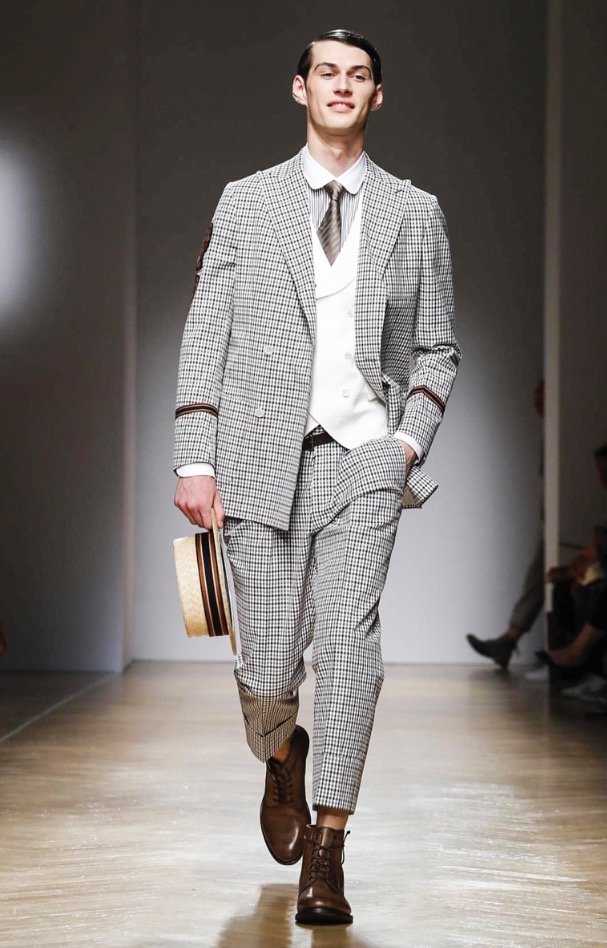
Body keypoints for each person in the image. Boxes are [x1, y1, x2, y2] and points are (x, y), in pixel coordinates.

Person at [173, 29, 459, 926]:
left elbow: (436, 347)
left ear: (376, 96)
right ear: (300, 89)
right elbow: (206, 329)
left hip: (364, 457)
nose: (342, 86)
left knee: (348, 646)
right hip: (257, 456)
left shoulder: (413, 211)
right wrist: (194, 453)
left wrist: (404, 445)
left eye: (358, 75)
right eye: (326, 73)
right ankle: (281, 753)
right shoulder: (247, 201)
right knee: (265, 667)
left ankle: (328, 852)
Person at [466, 380, 545, 668]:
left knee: (539, 577)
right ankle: (508, 641)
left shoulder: (561, 434)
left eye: (541, 396)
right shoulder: (553, 433)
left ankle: (509, 641)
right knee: (538, 577)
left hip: (557, 526)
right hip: (550, 523)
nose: (535, 401)